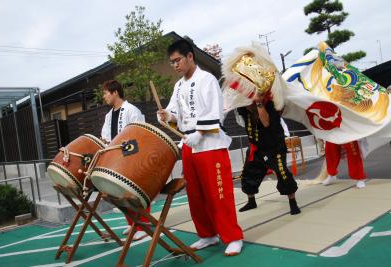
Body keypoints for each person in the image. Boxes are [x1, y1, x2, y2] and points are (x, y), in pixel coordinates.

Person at [157, 39, 243, 256]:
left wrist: (200, 132)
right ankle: (207, 234)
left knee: (218, 194)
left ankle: (232, 236)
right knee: (195, 195)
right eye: (172, 62)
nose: (175, 65)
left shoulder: (207, 79)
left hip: (210, 144)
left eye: (178, 60)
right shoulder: (178, 86)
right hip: (188, 144)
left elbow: (216, 112)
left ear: (190, 57)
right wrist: (168, 116)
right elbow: (177, 115)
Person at [101, 79, 150, 241]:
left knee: (137, 192)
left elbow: (140, 132)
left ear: (115, 92)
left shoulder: (131, 110)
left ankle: (144, 225)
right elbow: (105, 136)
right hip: (116, 159)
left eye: (106, 93)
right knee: (122, 193)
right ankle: (132, 222)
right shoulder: (109, 115)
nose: (104, 97)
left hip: (132, 157)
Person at [236, 94, 301, 215]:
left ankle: (293, 202)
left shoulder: (270, 105)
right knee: (248, 173)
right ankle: (251, 201)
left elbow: (265, 123)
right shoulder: (244, 108)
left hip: (274, 148)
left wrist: (259, 103)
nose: (247, 105)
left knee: (283, 173)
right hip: (256, 148)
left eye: (249, 102)